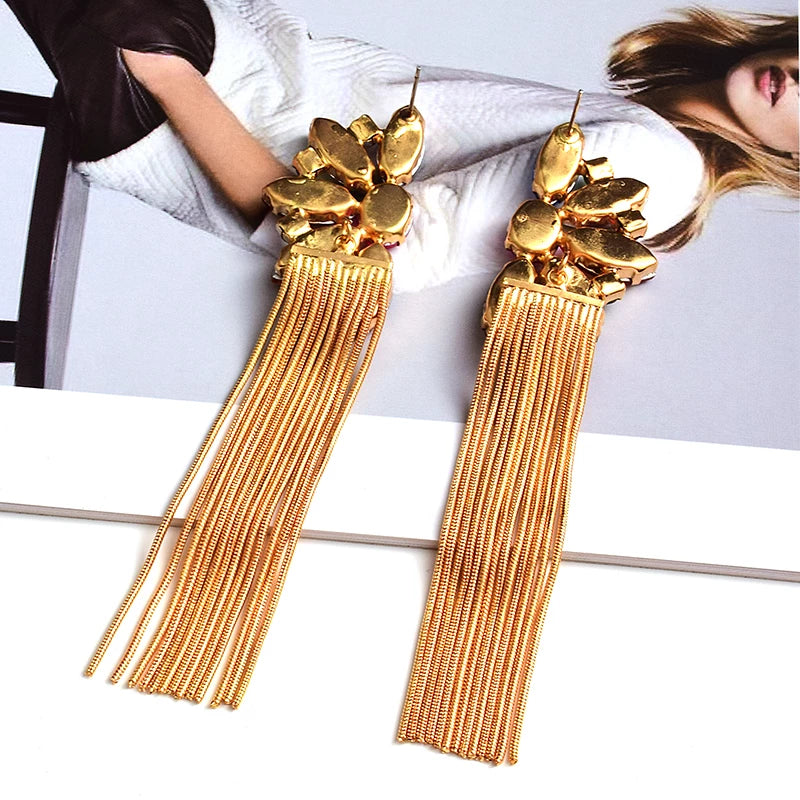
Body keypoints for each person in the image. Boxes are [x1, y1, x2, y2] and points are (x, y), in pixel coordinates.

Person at [6, 0, 798, 292]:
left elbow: (377, 252)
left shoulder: (659, 165)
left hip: (183, 93)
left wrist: (168, 78)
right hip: (211, 66)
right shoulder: (656, 136)